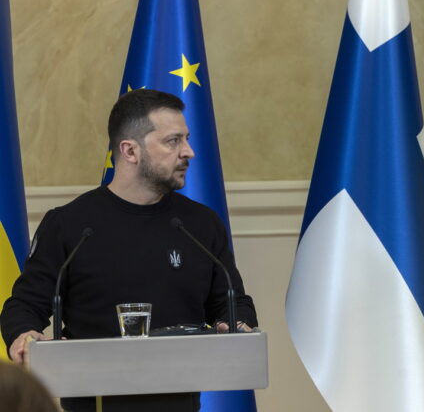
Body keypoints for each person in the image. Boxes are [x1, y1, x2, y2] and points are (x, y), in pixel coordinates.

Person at [0, 89, 257, 412]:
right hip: (93, 402)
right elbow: (25, 305)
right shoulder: (70, 225)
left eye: (186, 139)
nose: (189, 152)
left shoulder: (199, 224)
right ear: (130, 151)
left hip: (180, 403)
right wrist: (24, 335)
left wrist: (237, 324)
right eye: (173, 141)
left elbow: (232, 302)